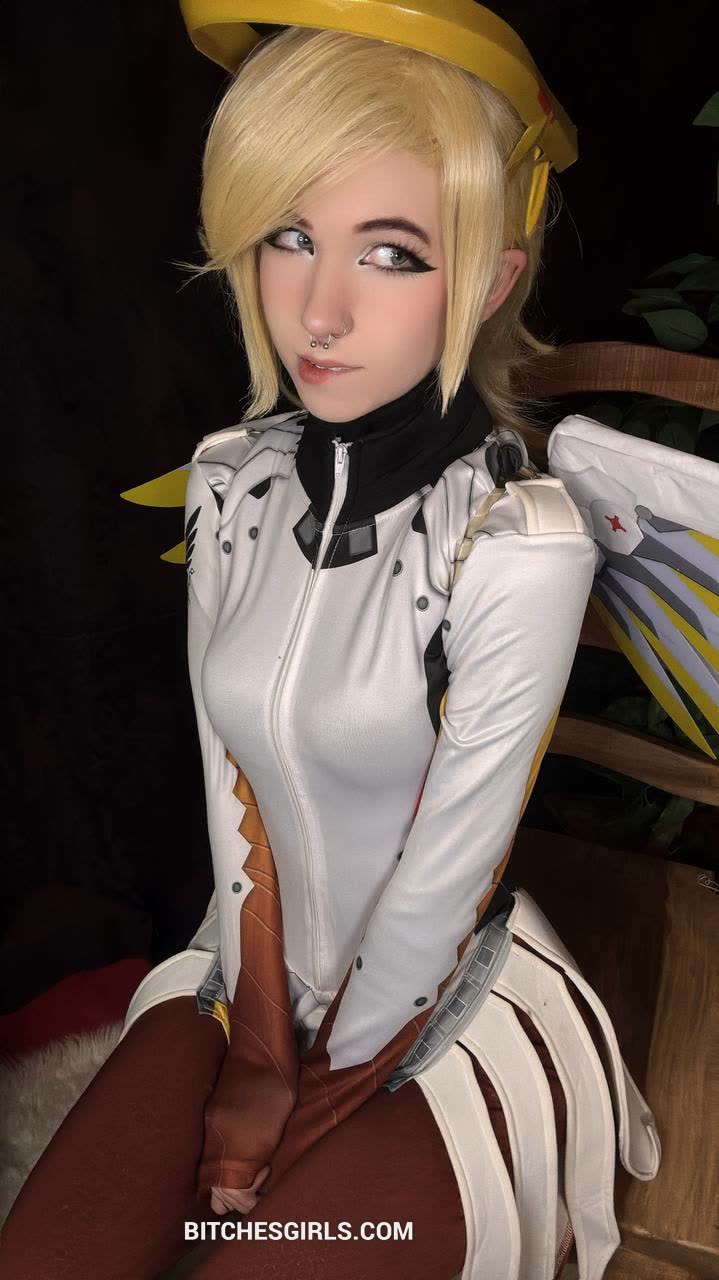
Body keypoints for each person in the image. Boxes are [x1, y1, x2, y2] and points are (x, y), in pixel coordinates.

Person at [0, 6, 661, 1278]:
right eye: (289, 235)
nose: (318, 306)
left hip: (438, 1004)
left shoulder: (517, 543)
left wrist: (311, 1098)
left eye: (392, 253)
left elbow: (447, 872)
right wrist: (254, 1039)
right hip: (243, 965)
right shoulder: (231, 481)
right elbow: (230, 778)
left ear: (488, 281)